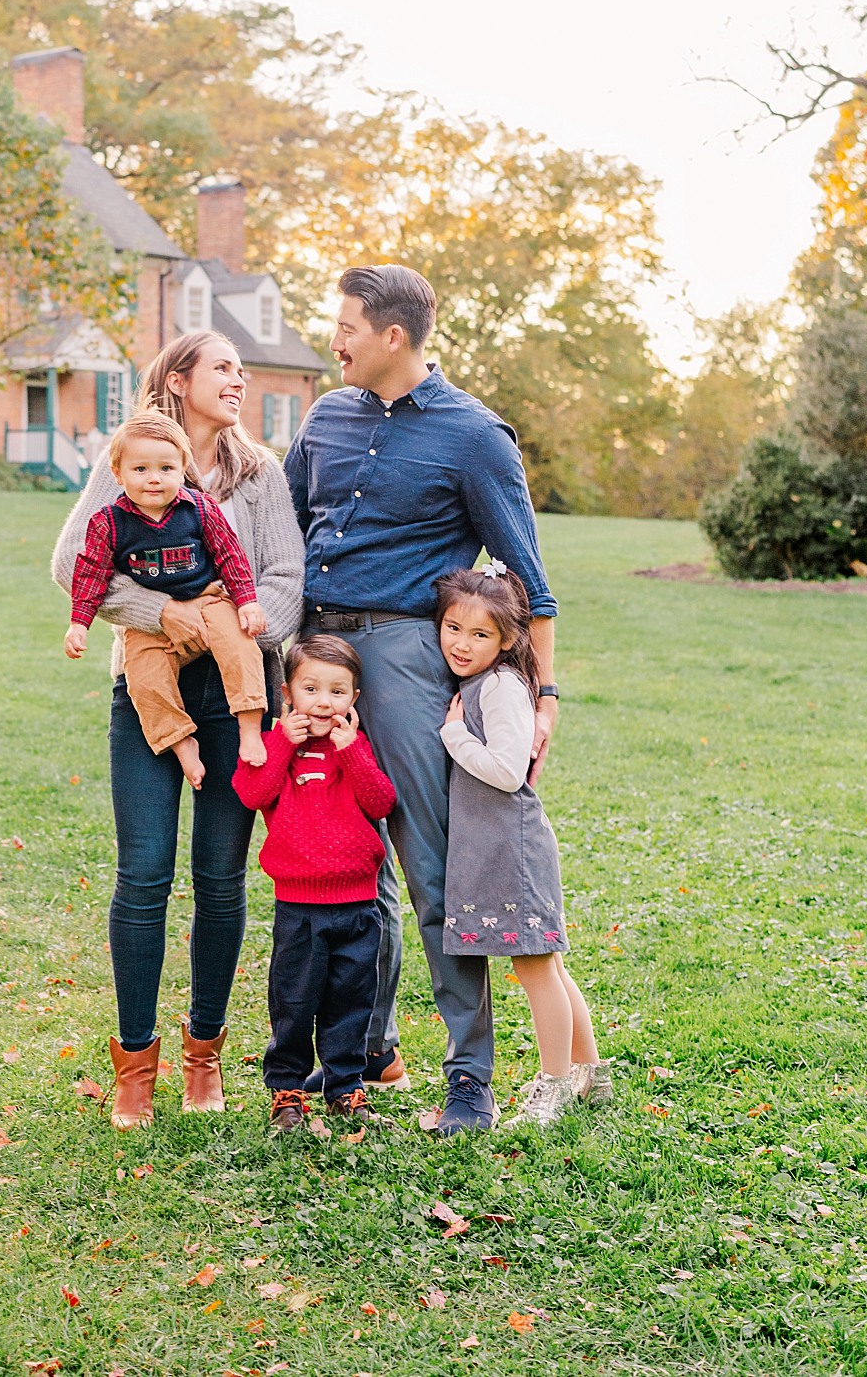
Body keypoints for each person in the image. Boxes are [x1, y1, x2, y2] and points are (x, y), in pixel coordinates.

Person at [284, 264, 559, 1135]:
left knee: (430, 867)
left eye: (346, 327)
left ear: (392, 335)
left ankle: (468, 1078)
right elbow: (283, 531)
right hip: (313, 652)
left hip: (404, 652)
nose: (335, 339)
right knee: (332, 857)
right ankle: (366, 1049)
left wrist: (543, 697)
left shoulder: (475, 435)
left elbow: (530, 583)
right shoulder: (325, 416)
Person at [52, 332, 306, 1129]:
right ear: (179, 379)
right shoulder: (126, 456)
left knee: (221, 877)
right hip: (149, 683)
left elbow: (285, 581)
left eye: (242, 367)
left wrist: (232, 628)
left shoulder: (259, 472)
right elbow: (73, 563)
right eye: (224, 367)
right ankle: (135, 1064)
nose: (240, 379)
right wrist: (164, 614)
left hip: (239, 693)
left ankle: (204, 1054)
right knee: (144, 873)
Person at [433, 566, 609, 1127]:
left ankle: (553, 1083)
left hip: (514, 848)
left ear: (508, 639)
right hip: (500, 846)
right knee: (547, 966)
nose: (462, 643)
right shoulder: (480, 682)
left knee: (536, 969)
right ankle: (591, 1074)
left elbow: (509, 772)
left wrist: (455, 736)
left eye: (480, 635)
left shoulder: (503, 686)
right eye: (453, 627)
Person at [231, 635, 397, 1135]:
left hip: (358, 904)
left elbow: (381, 803)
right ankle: (287, 1090)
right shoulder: (275, 748)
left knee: (351, 1000)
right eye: (312, 689)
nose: (324, 702)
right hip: (299, 906)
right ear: (288, 694)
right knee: (294, 1001)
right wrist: (282, 741)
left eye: (338, 691)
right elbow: (252, 792)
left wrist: (353, 753)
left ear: (354, 700)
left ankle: (345, 1087)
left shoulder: (356, 748)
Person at [64, 410, 270, 788]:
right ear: (118, 474)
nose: (154, 478)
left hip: (208, 600)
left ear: (182, 470)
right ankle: (179, 740)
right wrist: (79, 623)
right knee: (142, 679)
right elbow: (91, 574)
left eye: (166, 468)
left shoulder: (200, 509)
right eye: (140, 469)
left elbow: (230, 556)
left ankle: (250, 726)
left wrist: (247, 602)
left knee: (240, 645)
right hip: (150, 623)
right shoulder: (107, 523)